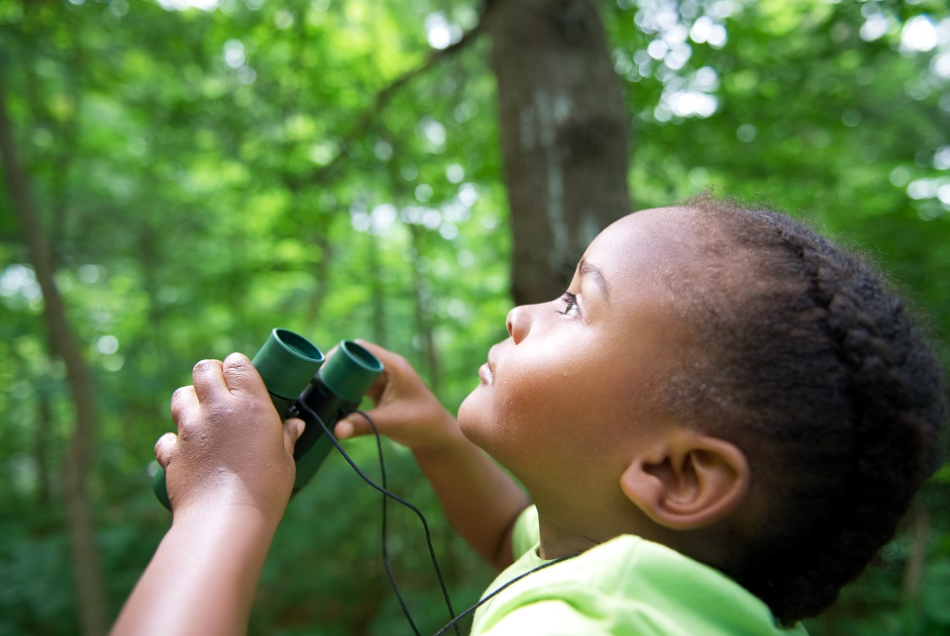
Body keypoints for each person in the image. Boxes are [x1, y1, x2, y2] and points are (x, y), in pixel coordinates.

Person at [111, 198, 948, 636]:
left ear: (677, 475)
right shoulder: (636, 573)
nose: (522, 312)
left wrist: (225, 504)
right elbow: (516, 534)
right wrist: (437, 435)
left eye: (576, 304)